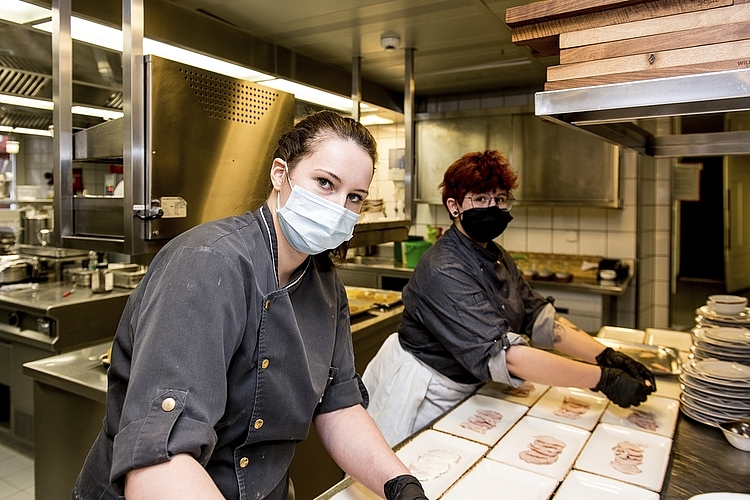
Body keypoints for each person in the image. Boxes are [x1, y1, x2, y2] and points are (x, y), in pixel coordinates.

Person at [73, 110, 428, 500]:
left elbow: (338, 405)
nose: (339, 207)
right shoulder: (208, 263)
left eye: (354, 197)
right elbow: (159, 460)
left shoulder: (326, 288)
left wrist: (401, 485)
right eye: (325, 183)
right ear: (281, 174)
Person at [363, 150, 656, 447]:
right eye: (480, 199)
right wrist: (603, 378)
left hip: (469, 384)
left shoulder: (496, 255)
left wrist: (605, 355)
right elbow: (506, 355)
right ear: (453, 206)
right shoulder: (443, 268)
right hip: (425, 390)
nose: (493, 207)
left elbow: (537, 315)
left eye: (500, 199)